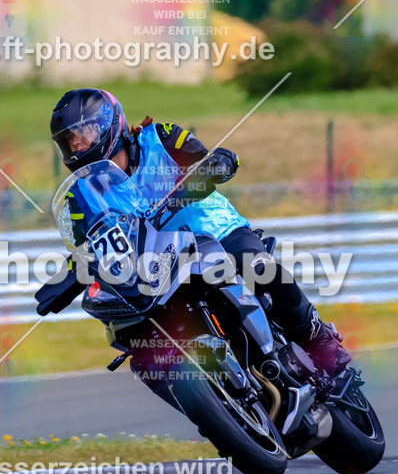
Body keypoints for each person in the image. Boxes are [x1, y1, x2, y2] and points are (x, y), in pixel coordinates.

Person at [50, 87, 351, 377]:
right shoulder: (80, 196)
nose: (76, 146)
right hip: (159, 263)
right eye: (68, 141)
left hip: (217, 231)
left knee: (258, 268)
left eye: (81, 135)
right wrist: (72, 274)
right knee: (138, 337)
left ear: (107, 124)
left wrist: (216, 165)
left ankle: (319, 340)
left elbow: (211, 160)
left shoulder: (160, 137)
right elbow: (87, 245)